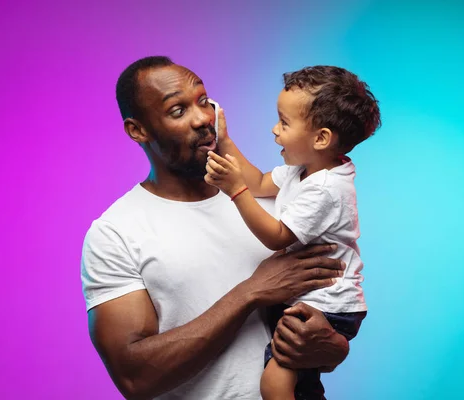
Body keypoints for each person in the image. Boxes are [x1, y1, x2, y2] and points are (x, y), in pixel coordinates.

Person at [81, 56, 351, 400]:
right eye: (178, 111)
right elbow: (135, 378)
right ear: (138, 130)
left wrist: (333, 345)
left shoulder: (275, 202)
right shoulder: (116, 232)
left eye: (204, 101)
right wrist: (250, 292)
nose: (202, 119)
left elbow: (328, 309)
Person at [204, 65, 381, 399]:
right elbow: (259, 182)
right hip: (316, 300)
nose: (274, 130)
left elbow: (277, 235)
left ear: (321, 138)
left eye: (284, 123)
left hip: (328, 307)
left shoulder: (326, 188)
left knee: (275, 383)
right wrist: (225, 141)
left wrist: (234, 190)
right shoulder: (305, 170)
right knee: (298, 385)